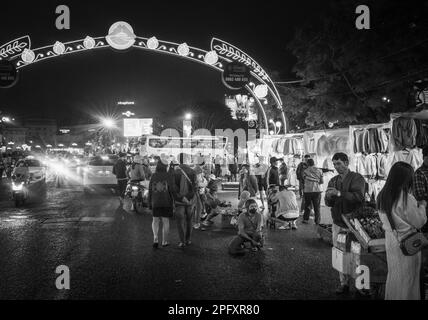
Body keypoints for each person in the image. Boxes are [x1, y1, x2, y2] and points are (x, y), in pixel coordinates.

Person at [377, 161, 427, 300]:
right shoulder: (405, 197)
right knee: (408, 278)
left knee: (394, 275)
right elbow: (419, 221)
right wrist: (422, 206)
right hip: (408, 241)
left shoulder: (382, 195)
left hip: (392, 240)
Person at [325, 152, 365, 295]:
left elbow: (359, 197)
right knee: (340, 254)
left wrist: (339, 193)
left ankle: (362, 286)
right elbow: (328, 202)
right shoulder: (333, 180)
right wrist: (329, 197)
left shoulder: (357, 178)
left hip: (354, 226)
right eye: (334, 164)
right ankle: (343, 283)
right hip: (338, 224)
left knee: (358, 255)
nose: (336, 167)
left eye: (339, 164)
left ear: (347, 163)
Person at [148, 160, 176, 248]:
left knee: (155, 220)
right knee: (165, 221)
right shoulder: (168, 176)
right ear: (165, 166)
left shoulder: (153, 176)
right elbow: (172, 190)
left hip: (155, 202)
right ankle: (164, 241)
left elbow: (150, 190)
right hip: (166, 202)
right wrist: (175, 201)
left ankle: (155, 239)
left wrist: (149, 202)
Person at [172, 158, 197, 248]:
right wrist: (188, 197)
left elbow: (174, 188)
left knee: (180, 221)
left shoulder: (175, 172)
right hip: (190, 201)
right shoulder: (193, 172)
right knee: (189, 220)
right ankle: (188, 239)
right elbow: (195, 187)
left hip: (179, 201)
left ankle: (182, 241)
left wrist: (182, 198)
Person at [302, 158, 324, 225]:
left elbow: (303, 180)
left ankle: (306, 219)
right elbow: (322, 181)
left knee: (307, 205)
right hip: (317, 190)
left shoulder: (305, 171)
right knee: (317, 206)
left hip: (308, 191)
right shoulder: (320, 171)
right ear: (314, 163)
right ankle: (317, 221)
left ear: (308, 164)